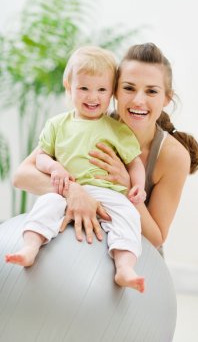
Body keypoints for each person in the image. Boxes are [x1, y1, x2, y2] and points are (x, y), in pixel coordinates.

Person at [12, 42, 198, 259]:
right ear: (115, 91)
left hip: (135, 258)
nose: (139, 100)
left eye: (151, 91)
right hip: (79, 253)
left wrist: (126, 187)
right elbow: (22, 176)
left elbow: (156, 237)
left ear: (166, 98)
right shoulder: (91, 123)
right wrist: (75, 192)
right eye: (129, 88)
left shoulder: (173, 155)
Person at [5, 45, 146, 293]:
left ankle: (124, 267)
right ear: (68, 85)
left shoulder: (118, 129)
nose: (93, 97)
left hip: (107, 194)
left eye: (101, 90)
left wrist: (138, 187)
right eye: (83, 88)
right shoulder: (57, 124)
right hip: (64, 189)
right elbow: (41, 158)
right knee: (46, 204)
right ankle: (30, 247)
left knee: (129, 215)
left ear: (111, 92)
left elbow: (134, 162)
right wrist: (55, 167)